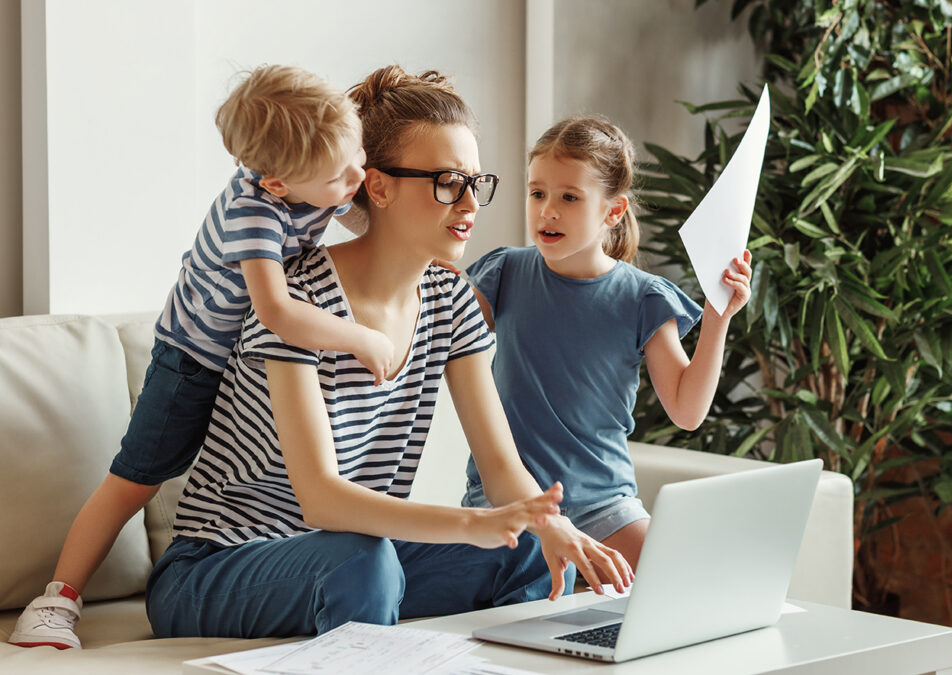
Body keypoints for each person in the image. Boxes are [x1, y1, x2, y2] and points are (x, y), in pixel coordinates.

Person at [143, 66, 632, 640]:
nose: (470, 202)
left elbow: (501, 468)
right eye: (449, 181)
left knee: (525, 548)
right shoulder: (297, 297)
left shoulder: (451, 299)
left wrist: (552, 525)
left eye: (477, 181)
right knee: (363, 560)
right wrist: (472, 522)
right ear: (377, 187)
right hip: (217, 567)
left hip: (351, 558)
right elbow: (321, 500)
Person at [9, 64, 391, 649]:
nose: (358, 177)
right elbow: (278, 312)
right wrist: (362, 336)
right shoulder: (251, 214)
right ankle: (55, 601)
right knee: (134, 480)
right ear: (277, 185)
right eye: (342, 176)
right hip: (192, 361)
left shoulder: (318, 177)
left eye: (359, 156)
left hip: (239, 362)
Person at [460, 114, 753, 572]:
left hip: (604, 508)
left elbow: (687, 411)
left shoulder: (644, 298)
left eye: (569, 198)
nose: (546, 211)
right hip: (508, 506)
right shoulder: (503, 274)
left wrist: (718, 317)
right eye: (537, 193)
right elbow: (433, 340)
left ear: (612, 211)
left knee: (681, 581)